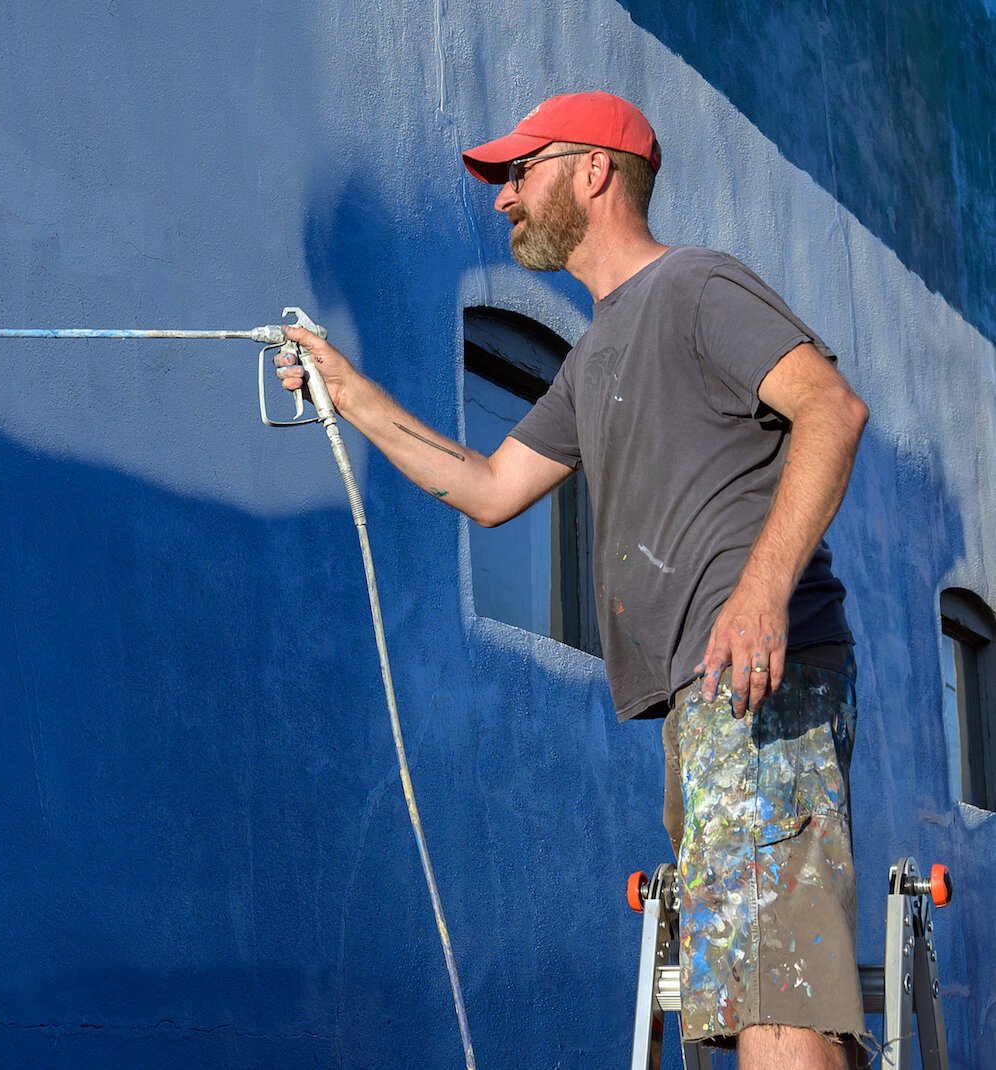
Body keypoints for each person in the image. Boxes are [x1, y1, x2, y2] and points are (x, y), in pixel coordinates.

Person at [277, 91, 870, 1069]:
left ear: (594, 170)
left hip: (762, 677)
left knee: (773, 987)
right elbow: (489, 484)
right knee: (769, 989)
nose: (504, 199)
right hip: (708, 699)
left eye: (521, 172)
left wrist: (762, 591)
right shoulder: (595, 354)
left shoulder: (695, 287)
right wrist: (350, 392)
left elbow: (831, 411)